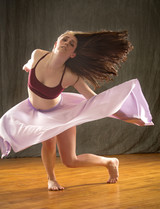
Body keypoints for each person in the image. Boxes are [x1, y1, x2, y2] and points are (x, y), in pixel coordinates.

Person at [0, 30, 153, 191]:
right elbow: (31, 62)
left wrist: (126, 117)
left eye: (71, 43)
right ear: (55, 44)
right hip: (34, 112)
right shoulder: (38, 54)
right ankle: (51, 180)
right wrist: (27, 65)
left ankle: (109, 162)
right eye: (64, 39)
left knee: (70, 161)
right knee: (47, 144)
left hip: (62, 114)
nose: (66, 43)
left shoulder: (71, 76)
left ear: (73, 54)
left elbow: (98, 102)